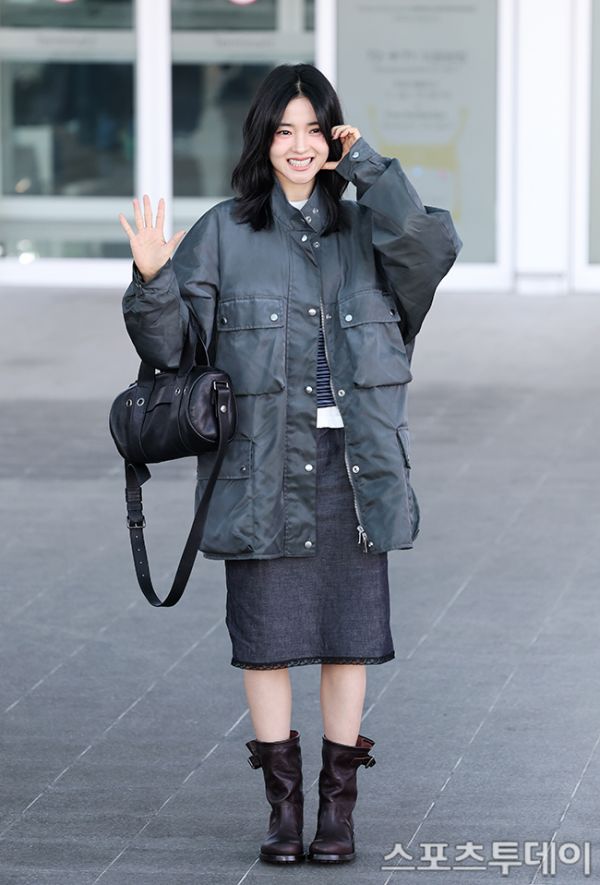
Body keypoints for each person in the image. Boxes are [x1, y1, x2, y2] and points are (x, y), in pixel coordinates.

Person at [118, 62, 462, 866]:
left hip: (352, 465)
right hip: (261, 464)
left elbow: (432, 249)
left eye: (313, 130)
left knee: (349, 638)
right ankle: (284, 810)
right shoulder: (223, 232)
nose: (299, 145)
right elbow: (173, 350)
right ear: (262, 140)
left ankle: (337, 812)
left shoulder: (370, 227)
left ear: (332, 139)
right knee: (265, 642)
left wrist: (368, 166)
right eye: (284, 130)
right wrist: (152, 279)